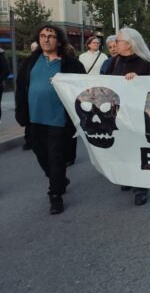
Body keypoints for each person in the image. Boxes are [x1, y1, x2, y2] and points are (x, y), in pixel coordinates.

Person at [15, 25, 86, 214]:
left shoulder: (70, 64)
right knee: (41, 156)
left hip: (58, 121)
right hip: (34, 119)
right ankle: (59, 179)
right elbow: (21, 89)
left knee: (56, 159)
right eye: (43, 36)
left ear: (59, 40)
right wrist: (20, 113)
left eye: (51, 36)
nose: (46, 39)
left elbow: (81, 90)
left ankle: (55, 195)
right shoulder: (30, 62)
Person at [105, 27, 150, 206]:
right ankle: (127, 177)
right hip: (118, 115)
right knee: (123, 149)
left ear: (129, 43)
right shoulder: (115, 61)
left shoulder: (146, 64)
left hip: (138, 115)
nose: (115, 44)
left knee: (137, 151)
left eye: (118, 41)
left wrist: (139, 80)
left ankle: (140, 187)